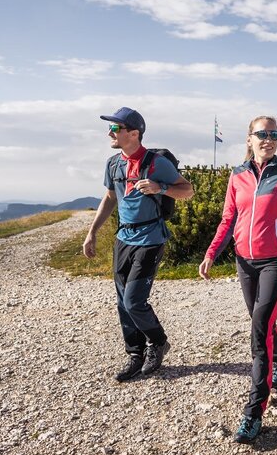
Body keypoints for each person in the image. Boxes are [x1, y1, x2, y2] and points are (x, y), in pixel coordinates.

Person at [199, 116, 277, 444]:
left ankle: (254, 411)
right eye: (262, 134)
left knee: (259, 329)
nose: (269, 139)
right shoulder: (237, 176)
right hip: (244, 262)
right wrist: (211, 253)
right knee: (259, 318)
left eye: (274, 134)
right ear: (249, 139)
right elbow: (228, 218)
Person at [83, 107, 194, 382]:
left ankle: (157, 342)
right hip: (123, 238)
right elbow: (110, 198)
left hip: (150, 238)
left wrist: (161, 188)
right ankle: (135, 354)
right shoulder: (113, 163)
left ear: (134, 133)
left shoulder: (157, 163)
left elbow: (188, 190)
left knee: (134, 300)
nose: (110, 132)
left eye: (116, 128)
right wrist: (92, 231)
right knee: (123, 302)